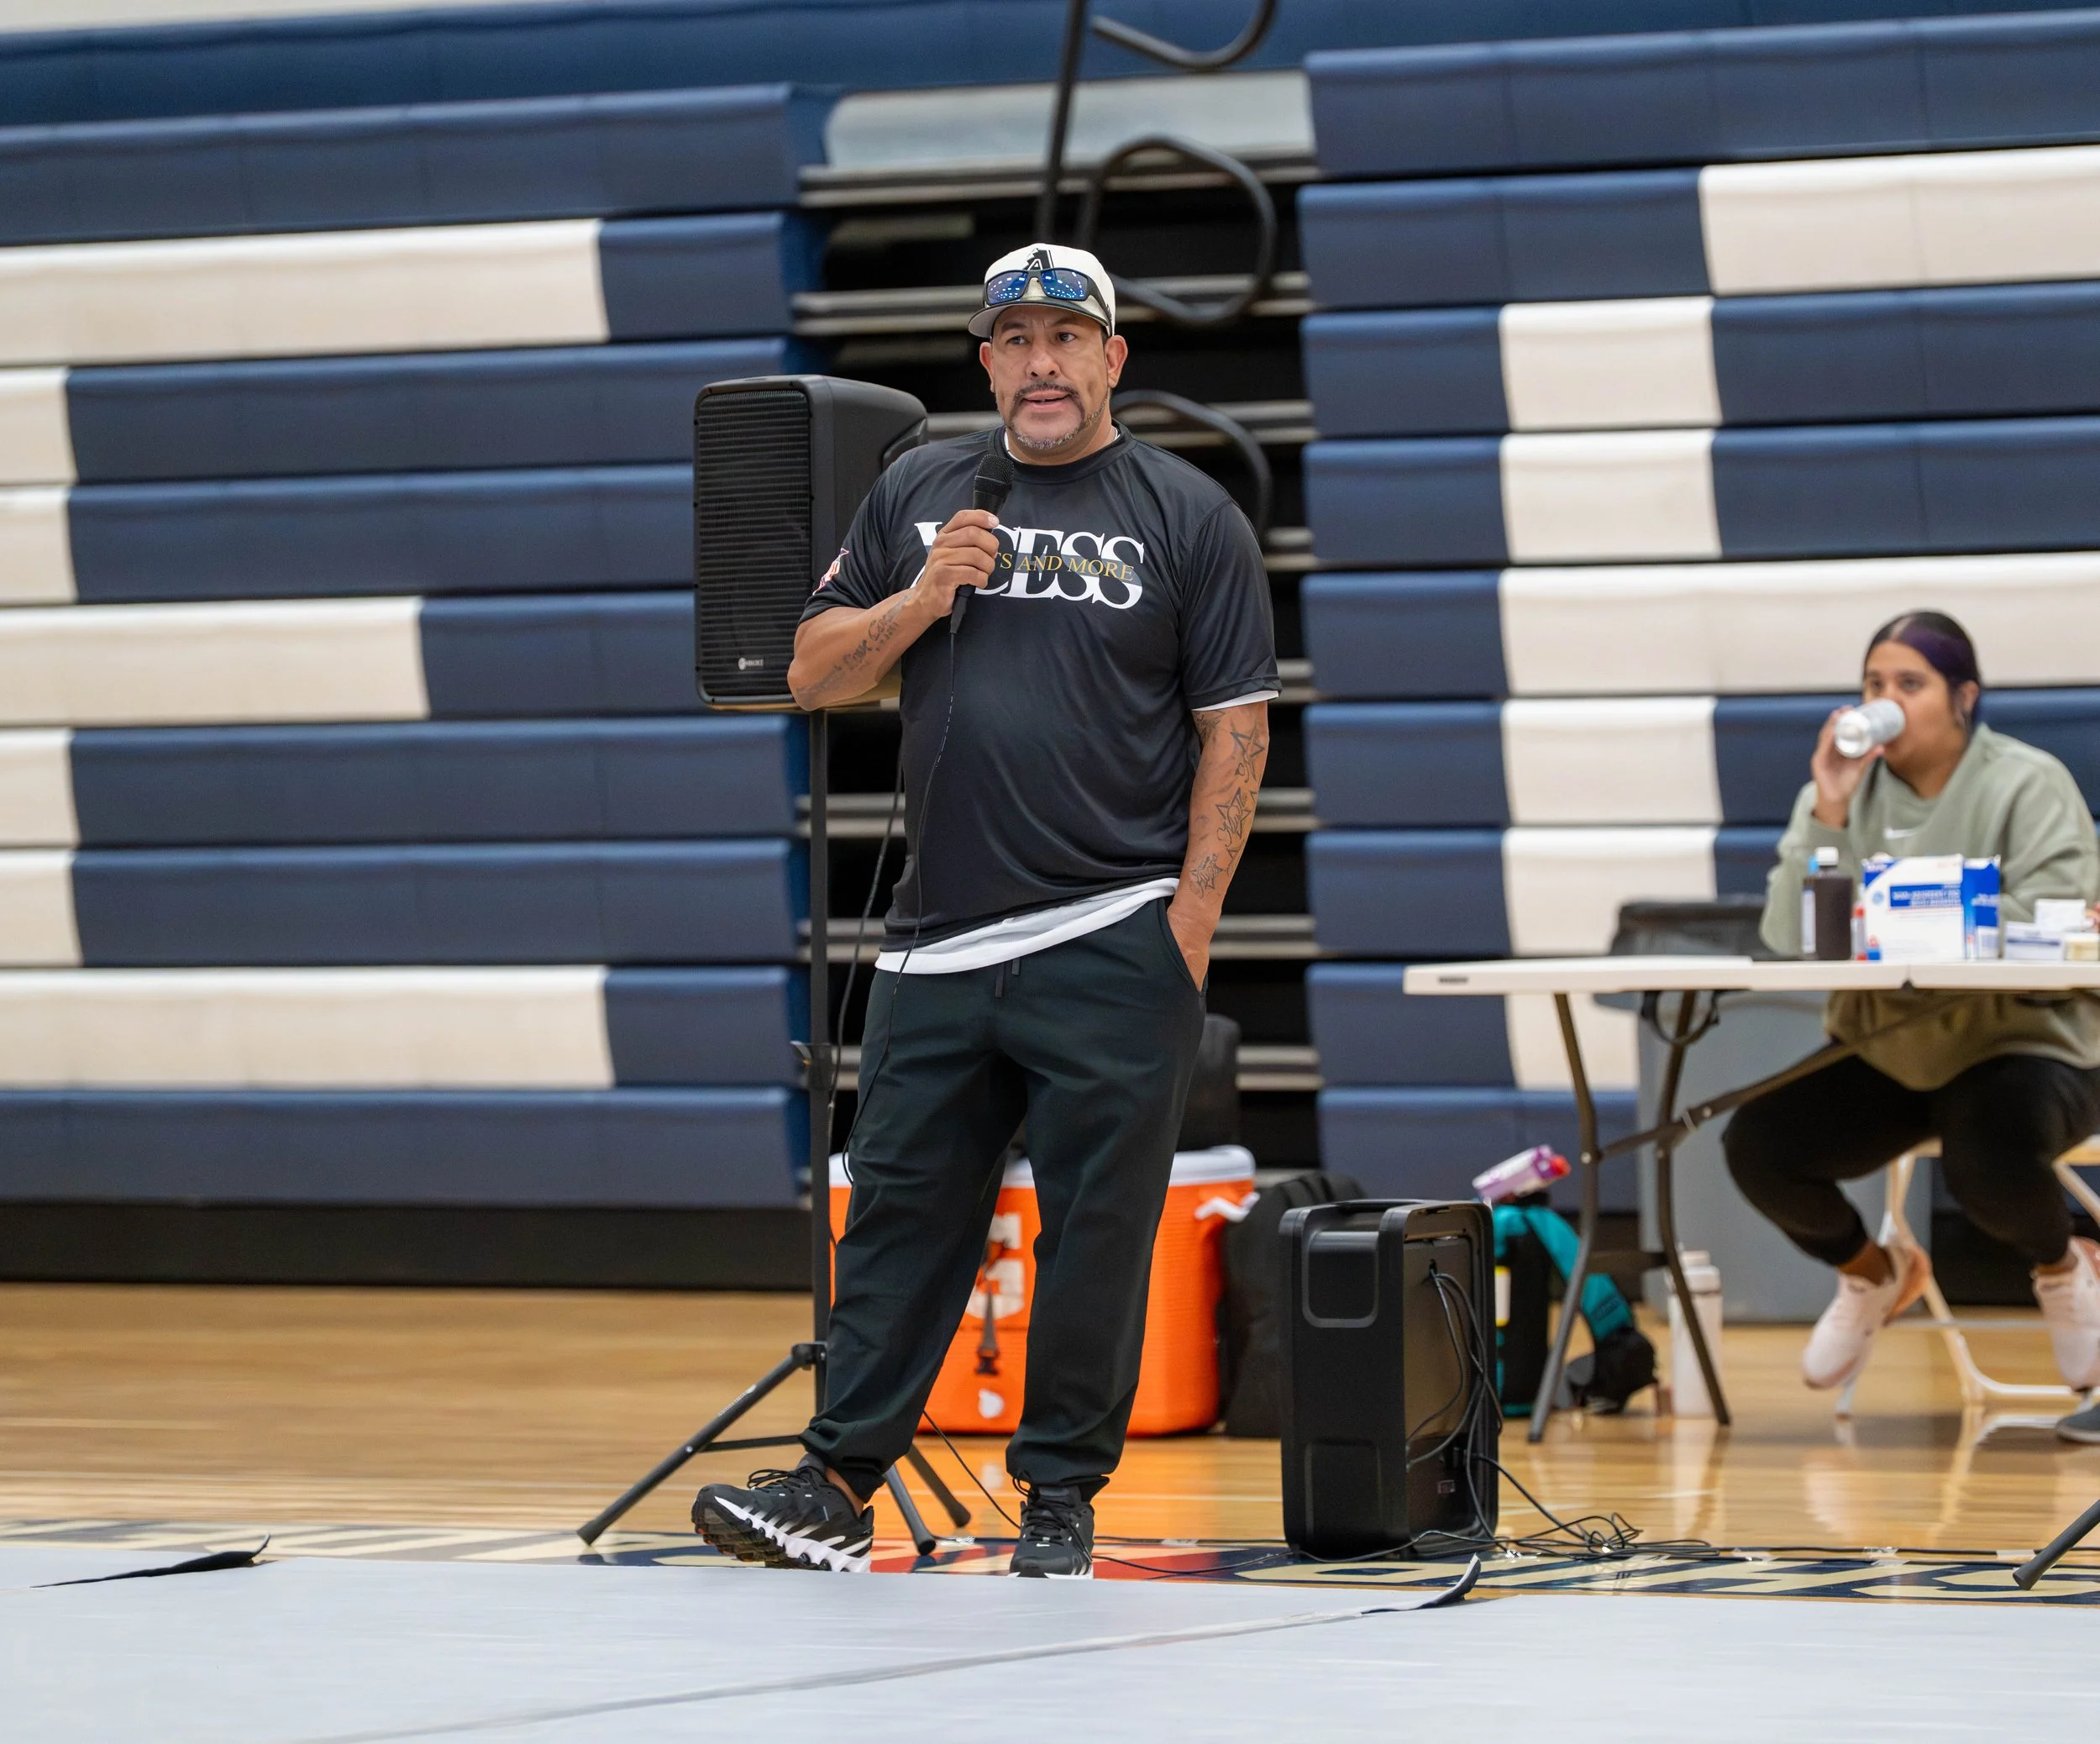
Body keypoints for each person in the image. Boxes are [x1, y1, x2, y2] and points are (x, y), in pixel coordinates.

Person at [691, 243, 1276, 1575]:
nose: (1043, 362)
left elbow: (1234, 731)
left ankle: (1060, 1500)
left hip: (1112, 930)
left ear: (1114, 357)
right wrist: (920, 594)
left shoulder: (1190, 516)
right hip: (934, 940)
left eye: (1067, 337)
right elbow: (812, 672)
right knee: (897, 1212)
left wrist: (1185, 929)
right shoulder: (919, 493)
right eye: (1015, 339)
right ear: (987, 363)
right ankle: (834, 1484)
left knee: (1094, 1234)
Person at [1724, 612, 2100, 1401]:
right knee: (1758, 1145)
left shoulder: (2027, 782)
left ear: (1963, 697)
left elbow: (2062, 916)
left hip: (2029, 1042)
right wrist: (1827, 809)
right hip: (1896, 1046)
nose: (1885, 699)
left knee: (1986, 1155)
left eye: (1909, 683)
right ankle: (1875, 1273)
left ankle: (2067, 1265)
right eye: (1873, 684)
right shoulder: (1837, 794)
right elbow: (1788, 933)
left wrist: (1937, 918)